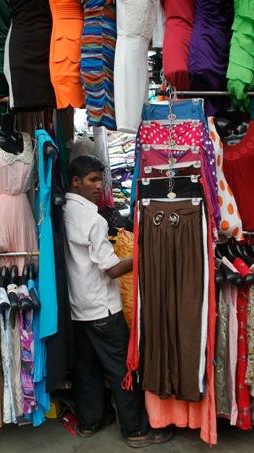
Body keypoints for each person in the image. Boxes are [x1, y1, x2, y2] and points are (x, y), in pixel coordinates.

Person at [63, 155, 173, 448]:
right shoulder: (93, 219)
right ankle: (136, 430)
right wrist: (142, 255)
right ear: (76, 181)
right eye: (93, 180)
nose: (99, 186)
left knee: (87, 370)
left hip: (78, 307)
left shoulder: (62, 212)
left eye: (101, 179)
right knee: (121, 369)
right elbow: (110, 268)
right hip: (102, 308)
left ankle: (90, 422)